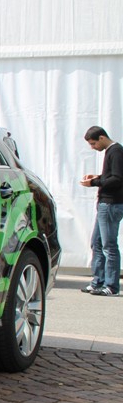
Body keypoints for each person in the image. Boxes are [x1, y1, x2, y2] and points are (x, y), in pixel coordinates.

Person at [80, 125, 123, 296]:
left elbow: (117, 179)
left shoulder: (116, 151)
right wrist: (97, 177)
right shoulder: (112, 151)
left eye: (93, 143)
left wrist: (94, 183)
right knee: (96, 243)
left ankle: (111, 286)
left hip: (111, 204)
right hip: (105, 204)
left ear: (102, 138)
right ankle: (98, 281)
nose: (93, 147)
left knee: (109, 245)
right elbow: (112, 176)